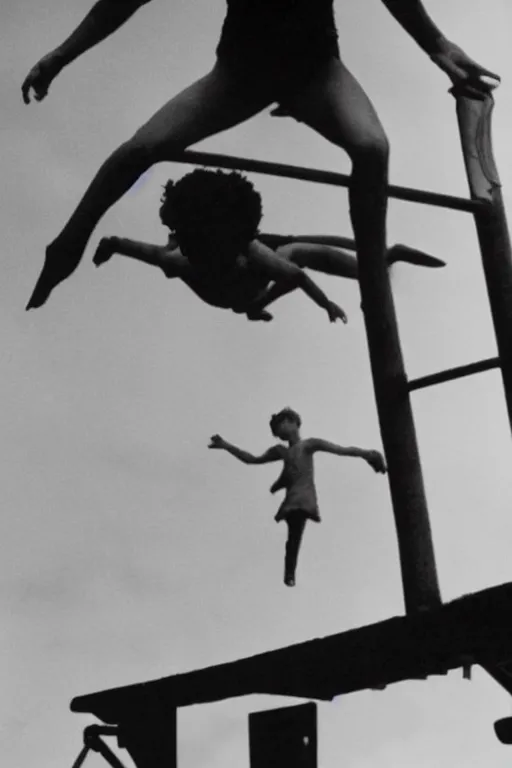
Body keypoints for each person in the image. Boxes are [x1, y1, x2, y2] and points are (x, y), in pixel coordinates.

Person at [22, 0, 498, 310]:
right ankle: (65, 247)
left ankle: (373, 275)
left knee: (372, 149)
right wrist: (62, 55)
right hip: (239, 76)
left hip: (316, 74)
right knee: (139, 150)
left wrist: (436, 44)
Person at [92, 168, 445, 323]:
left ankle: (380, 261)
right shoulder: (180, 260)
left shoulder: (254, 255)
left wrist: (326, 304)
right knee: (252, 290)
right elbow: (142, 251)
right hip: (235, 285)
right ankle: (378, 261)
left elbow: (298, 276)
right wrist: (112, 244)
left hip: (254, 273)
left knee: (298, 251)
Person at [209, 407, 386, 586]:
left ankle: (289, 573)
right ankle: (289, 573)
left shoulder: (308, 445)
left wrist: (366, 454)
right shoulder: (281, 451)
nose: (280, 431)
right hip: (292, 499)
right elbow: (252, 459)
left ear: (294, 422)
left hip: (304, 497)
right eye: (277, 430)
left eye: (283, 424)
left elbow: (340, 450)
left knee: (294, 535)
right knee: (293, 537)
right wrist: (227, 446)